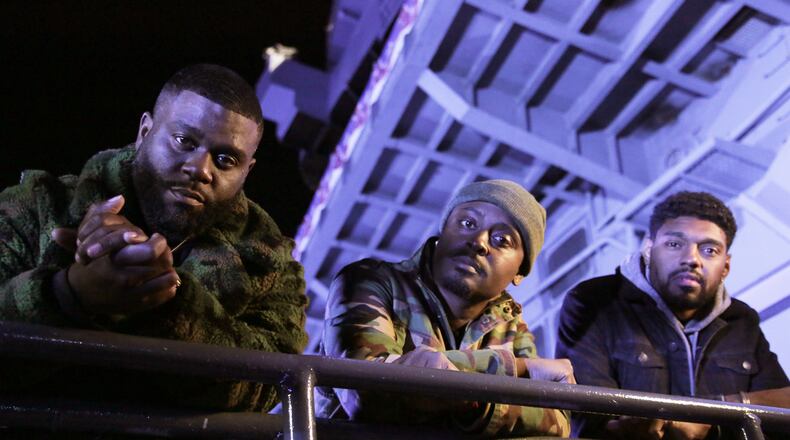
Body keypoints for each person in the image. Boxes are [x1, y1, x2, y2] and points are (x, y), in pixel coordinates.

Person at [0, 64, 308, 414]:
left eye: (226, 159)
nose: (201, 169)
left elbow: (267, 390)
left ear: (247, 171)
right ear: (145, 130)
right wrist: (68, 293)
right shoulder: (37, 207)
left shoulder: (271, 264)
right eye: (184, 141)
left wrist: (169, 304)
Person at [318, 179, 574, 437]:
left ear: (520, 272)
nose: (479, 242)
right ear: (443, 232)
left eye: (501, 240)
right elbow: (365, 390)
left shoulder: (511, 325)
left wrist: (474, 405)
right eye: (467, 223)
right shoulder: (371, 281)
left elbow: (557, 424)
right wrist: (518, 368)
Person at [556, 191, 789, 439]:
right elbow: (588, 422)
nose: (691, 259)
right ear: (648, 249)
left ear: (726, 267)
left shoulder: (741, 320)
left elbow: (782, 405)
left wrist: (715, 412)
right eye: (675, 244)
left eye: (709, 250)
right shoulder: (592, 302)